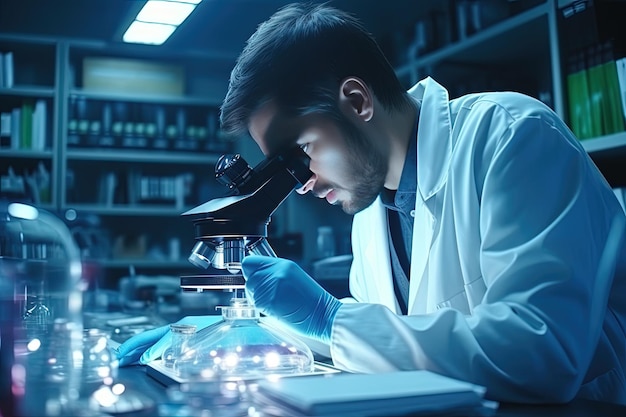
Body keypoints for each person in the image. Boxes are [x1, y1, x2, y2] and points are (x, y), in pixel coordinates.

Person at [116, 2, 626, 405]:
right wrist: (239, 332)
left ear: (358, 101)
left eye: (302, 153)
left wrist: (328, 317)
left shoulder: (511, 136)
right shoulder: (372, 212)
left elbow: (543, 354)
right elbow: (394, 342)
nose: (298, 183)